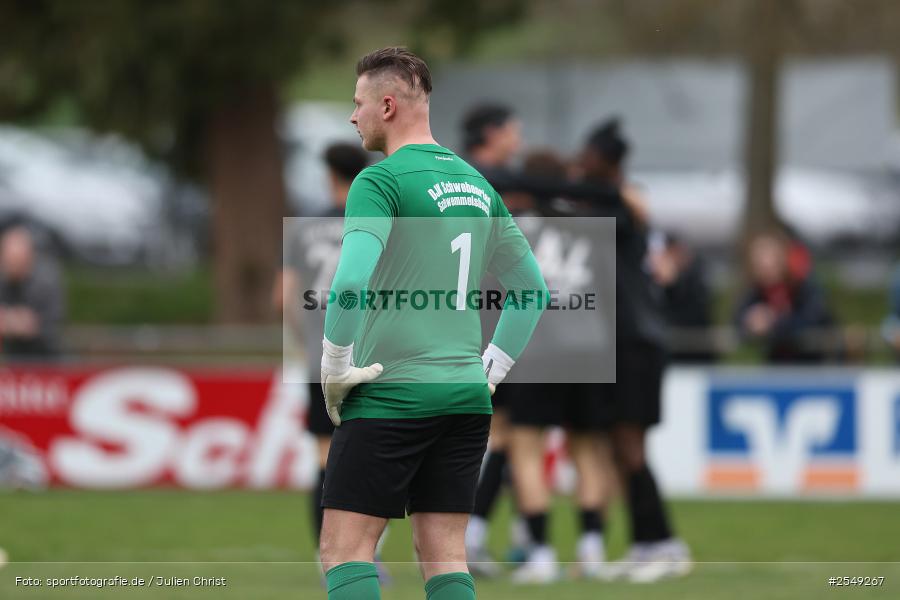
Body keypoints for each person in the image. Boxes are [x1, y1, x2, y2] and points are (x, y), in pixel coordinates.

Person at [317, 47, 548, 600]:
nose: (353, 116)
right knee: (443, 557)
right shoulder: (477, 183)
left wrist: (335, 367)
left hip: (391, 394)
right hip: (464, 399)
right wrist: (489, 371)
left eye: (358, 103)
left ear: (388, 106)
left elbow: (348, 285)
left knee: (344, 552)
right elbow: (532, 292)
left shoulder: (379, 183)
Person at [579, 119, 692, 583]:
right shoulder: (620, 204)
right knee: (619, 447)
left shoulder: (618, 208)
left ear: (605, 162)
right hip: (624, 341)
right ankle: (646, 543)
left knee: (631, 447)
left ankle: (664, 543)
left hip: (636, 343)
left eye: (588, 156)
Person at [503, 150, 612, 583]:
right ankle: (592, 549)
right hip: (591, 347)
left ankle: (542, 554)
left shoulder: (517, 227)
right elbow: (606, 289)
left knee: (527, 450)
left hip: (538, 348)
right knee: (587, 451)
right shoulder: (588, 226)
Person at [275, 143, 373, 559]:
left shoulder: (304, 227)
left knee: (324, 455)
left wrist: (305, 338)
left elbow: (283, 297)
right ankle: (367, 551)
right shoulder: (376, 222)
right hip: (370, 355)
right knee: (371, 452)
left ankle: (328, 553)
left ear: (329, 174)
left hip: (321, 355)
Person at [458, 103, 529, 576]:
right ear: (492, 133)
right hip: (487, 321)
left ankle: (492, 535)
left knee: (503, 438)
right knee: (494, 436)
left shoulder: (461, 177)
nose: (519, 135)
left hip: (492, 318)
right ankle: (469, 537)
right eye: (513, 127)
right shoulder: (485, 182)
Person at [735, 231, 834, 363]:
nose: (765, 265)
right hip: (776, 367)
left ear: (782, 258)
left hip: (811, 366)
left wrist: (773, 322)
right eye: (759, 260)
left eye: (769, 258)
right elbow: (738, 323)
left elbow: (813, 320)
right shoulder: (755, 291)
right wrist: (750, 323)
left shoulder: (804, 287)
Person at [649, 232, 716, 363]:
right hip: (669, 357)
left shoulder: (697, 278)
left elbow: (695, 315)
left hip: (695, 358)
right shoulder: (652, 283)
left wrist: (673, 284)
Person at [0, 226, 64, 360]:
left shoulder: (46, 280)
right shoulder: (3, 278)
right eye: (8, 261)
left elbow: (49, 324)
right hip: (9, 357)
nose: (11, 266)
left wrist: (12, 321)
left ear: (29, 257)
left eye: (16, 261)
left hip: (45, 358)